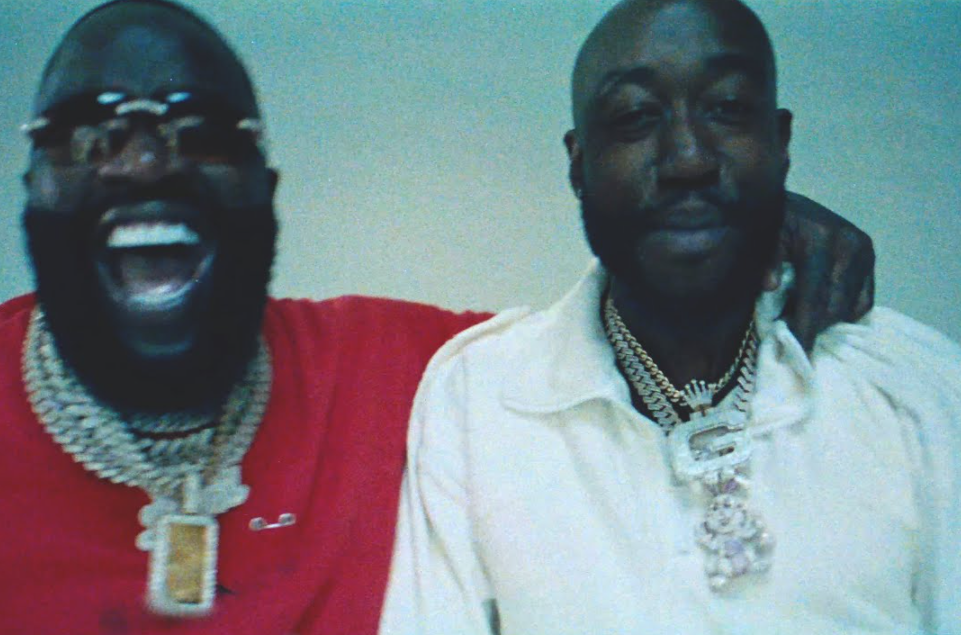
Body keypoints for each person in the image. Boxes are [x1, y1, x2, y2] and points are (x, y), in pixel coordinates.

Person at [0, 1, 874, 633]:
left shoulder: (417, 379)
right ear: (29, 188)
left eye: (200, 130)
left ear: (266, 192)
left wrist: (725, 228)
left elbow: (620, 341)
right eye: (88, 133)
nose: (146, 162)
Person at [381, 1, 961, 634]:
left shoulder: (913, 390)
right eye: (635, 115)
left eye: (728, 108)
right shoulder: (480, 402)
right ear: (578, 164)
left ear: (780, 143)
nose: (688, 158)